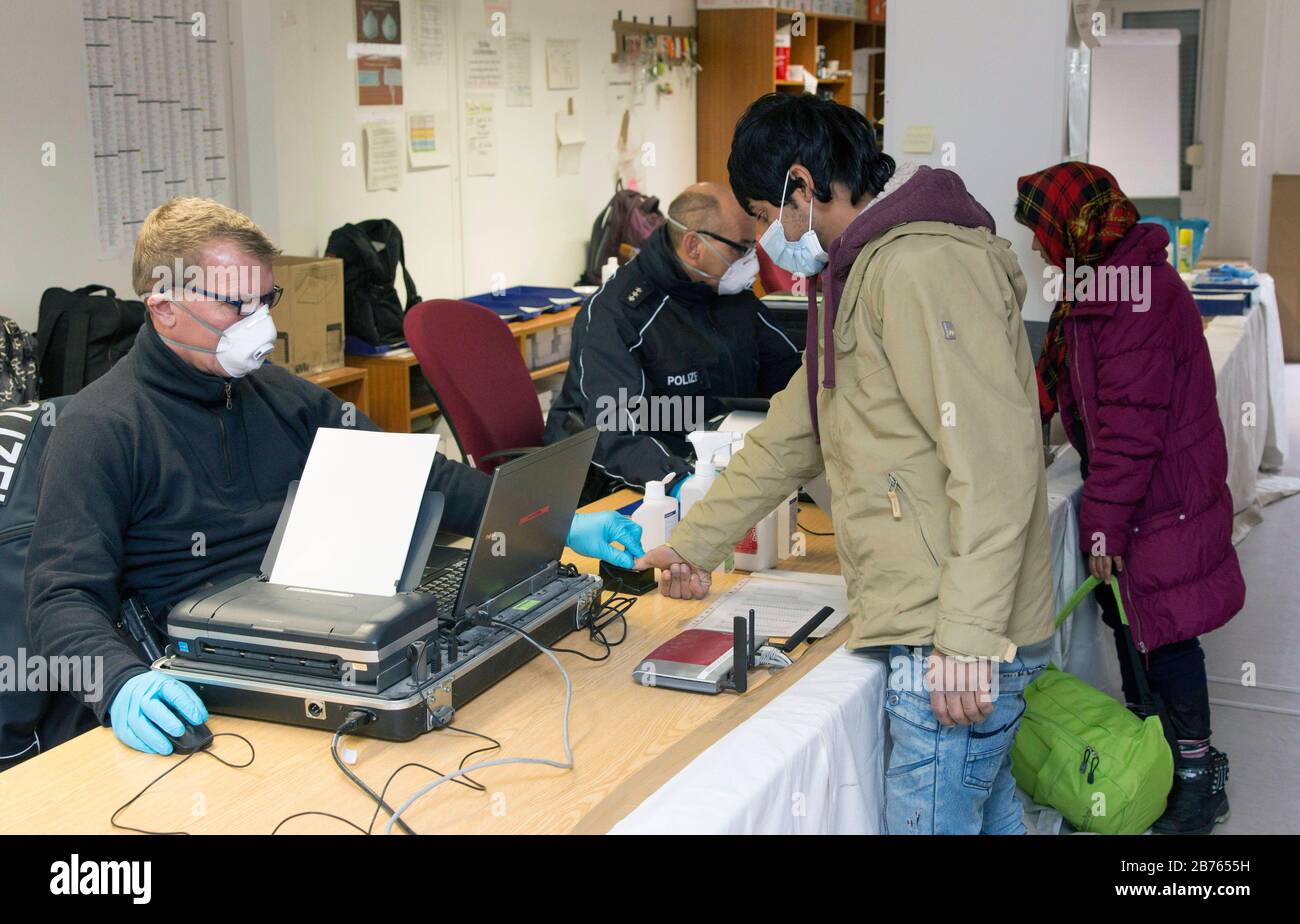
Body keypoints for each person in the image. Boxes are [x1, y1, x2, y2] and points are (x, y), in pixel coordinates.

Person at [24, 197, 644, 757]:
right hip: (202, 676)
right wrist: (120, 681)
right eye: (235, 303)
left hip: (318, 632)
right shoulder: (100, 426)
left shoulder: (277, 397)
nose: (258, 323)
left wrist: (555, 520)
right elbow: (60, 596)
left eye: (265, 301)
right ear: (164, 308)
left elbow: (416, 480)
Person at [638, 93, 1056, 834]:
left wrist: (964, 636)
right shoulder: (854, 275)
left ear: (802, 188)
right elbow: (793, 433)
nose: (768, 240)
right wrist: (694, 538)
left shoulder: (920, 269)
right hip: (931, 619)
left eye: (768, 216)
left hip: (948, 636)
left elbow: (996, 464)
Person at [1015, 161, 1243, 834]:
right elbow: (1064, 382)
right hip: (1142, 493)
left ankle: (1197, 779)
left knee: (1166, 634)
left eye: (1039, 230)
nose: (1034, 245)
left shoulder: (1137, 295)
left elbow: (1131, 430)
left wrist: (1104, 528)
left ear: (1072, 226)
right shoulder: (1096, 285)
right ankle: (1167, 756)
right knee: (1134, 626)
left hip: (1162, 494)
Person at [544, 182, 802, 501]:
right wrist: (685, 483)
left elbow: (790, 377)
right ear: (693, 245)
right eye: (741, 247)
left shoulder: (728, 295)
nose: (750, 260)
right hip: (626, 487)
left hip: (723, 470)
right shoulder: (618, 313)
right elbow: (614, 432)